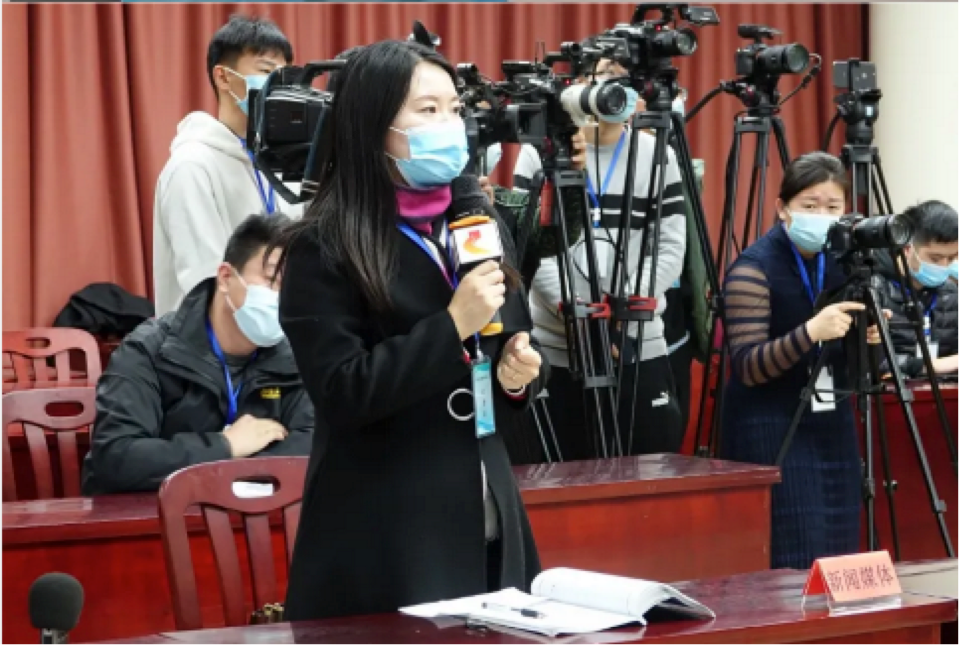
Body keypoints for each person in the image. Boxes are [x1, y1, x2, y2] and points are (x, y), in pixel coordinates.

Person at [277, 40, 546, 620]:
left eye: (454, 109)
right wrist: (450, 328)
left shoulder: (476, 223)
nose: (449, 125)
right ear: (373, 124)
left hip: (488, 515)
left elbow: (507, 345)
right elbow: (343, 391)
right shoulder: (322, 246)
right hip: (385, 538)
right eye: (427, 110)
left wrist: (517, 375)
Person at [513, 58, 686, 460]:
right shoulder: (540, 151)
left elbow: (670, 248)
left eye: (625, 78)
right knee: (560, 478)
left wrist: (620, 313)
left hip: (637, 343)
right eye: (605, 74)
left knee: (647, 473)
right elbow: (530, 246)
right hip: (555, 346)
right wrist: (577, 315)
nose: (615, 87)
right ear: (578, 85)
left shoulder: (658, 154)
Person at [720, 152, 883, 569]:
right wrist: (809, 332)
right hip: (769, 424)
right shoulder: (753, 268)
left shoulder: (845, 263)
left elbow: (864, 371)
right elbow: (748, 366)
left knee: (841, 546)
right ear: (783, 208)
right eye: (810, 206)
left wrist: (868, 339)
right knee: (793, 548)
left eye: (832, 207)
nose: (822, 217)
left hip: (831, 419)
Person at [82, 215, 314, 495]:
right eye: (272, 280)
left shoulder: (296, 357)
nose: (284, 297)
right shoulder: (148, 351)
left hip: (258, 512)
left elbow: (313, 443)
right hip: (159, 512)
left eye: (294, 286)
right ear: (226, 278)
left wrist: (234, 469)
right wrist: (225, 446)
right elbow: (117, 456)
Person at [153, 15, 300, 317]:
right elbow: (204, 279)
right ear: (223, 77)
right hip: (213, 339)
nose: (278, 85)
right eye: (265, 71)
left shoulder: (286, 163)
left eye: (283, 75)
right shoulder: (192, 167)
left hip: (281, 334)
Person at [874, 200, 959, 376]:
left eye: (952, 258)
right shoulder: (874, 288)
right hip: (893, 391)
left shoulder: (951, 292)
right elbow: (872, 363)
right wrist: (931, 366)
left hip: (940, 390)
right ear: (907, 249)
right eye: (936, 259)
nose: (944, 266)